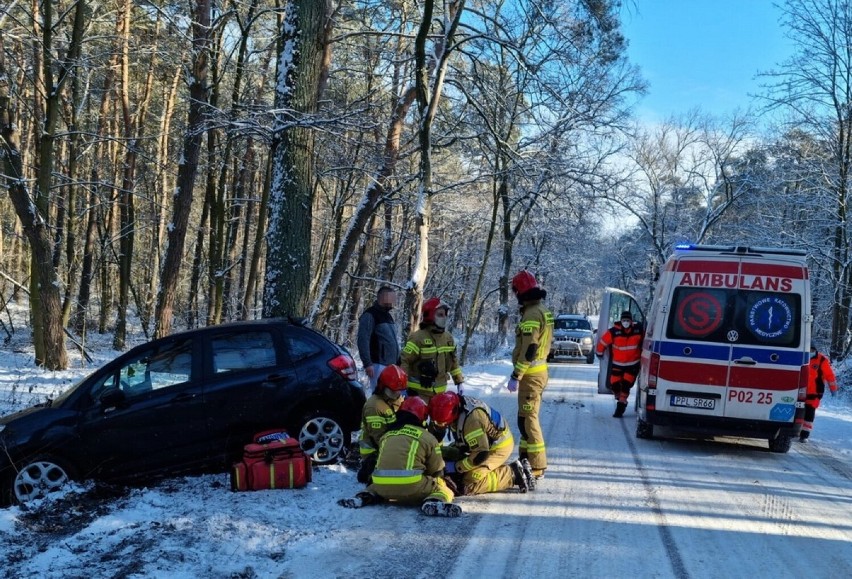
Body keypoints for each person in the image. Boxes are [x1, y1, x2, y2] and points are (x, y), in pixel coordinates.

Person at [337, 396, 461, 517]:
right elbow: (436, 469)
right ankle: (434, 501)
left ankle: (364, 496)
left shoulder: (387, 435)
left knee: (375, 486)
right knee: (442, 486)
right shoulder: (427, 437)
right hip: (412, 487)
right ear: (422, 417)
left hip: (382, 485)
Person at [429, 391, 536, 495]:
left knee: (468, 483)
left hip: (497, 447)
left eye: (441, 423)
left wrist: (457, 467)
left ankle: (513, 473)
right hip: (478, 442)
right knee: (449, 454)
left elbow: (480, 455)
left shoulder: (472, 421)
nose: (440, 425)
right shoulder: (454, 404)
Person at [506, 270, 553, 480]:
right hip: (537, 373)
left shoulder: (532, 314)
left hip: (530, 375)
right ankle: (526, 458)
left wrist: (516, 375)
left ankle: (537, 465)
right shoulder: (541, 310)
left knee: (529, 420)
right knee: (523, 418)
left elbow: (530, 348)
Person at [401, 297, 464, 403]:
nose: (444, 318)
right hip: (418, 395)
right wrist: (402, 386)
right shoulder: (417, 338)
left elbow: (453, 363)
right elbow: (405, 361)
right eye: (440, 315)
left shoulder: (448, 338)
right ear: (430, 315)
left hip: (440, 395)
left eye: (445, 315)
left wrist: (459, 381)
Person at [356, 364, 408, 483]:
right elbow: (380, 439)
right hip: (374, 451)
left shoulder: (396, 398)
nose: (396, 395)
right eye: (392, 392)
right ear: (382, 386)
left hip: (392, 442)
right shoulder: (374, 406)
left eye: (399, 391)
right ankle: (369, 470)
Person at [596, 310, 644, 418]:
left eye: (627, 320)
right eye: (624, 320)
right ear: (620, 321)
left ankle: (621, 406)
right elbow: (603, 342)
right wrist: (599, 353)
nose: (625, 322)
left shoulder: (638, 330)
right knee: (614, 384)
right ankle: (619, 397)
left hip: (633, 364)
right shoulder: (613, 332)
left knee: (626, 385)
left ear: (631, 321)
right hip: (618, 364)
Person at [357, 286, 400, 390]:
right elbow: (363, 340)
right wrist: (367, 363)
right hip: (378, 365)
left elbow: (392, 341)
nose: (392, 302)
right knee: (379, 395)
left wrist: (398, 361)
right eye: (389, 298)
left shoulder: (388, 316)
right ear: (381, 298)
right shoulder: (370, 315)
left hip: (391, 365)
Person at [801, 342, 839, 442]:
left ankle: (804, 435)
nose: (810, 352)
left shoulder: (821, 360)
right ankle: (793, 431)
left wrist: (833, 389)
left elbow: (829, 376)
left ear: (815, 350)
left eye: (812, 350)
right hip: (798, 391)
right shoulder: (800, 356)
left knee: (809, 413)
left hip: (815, 393)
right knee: (798, 411)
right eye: (809, 350)